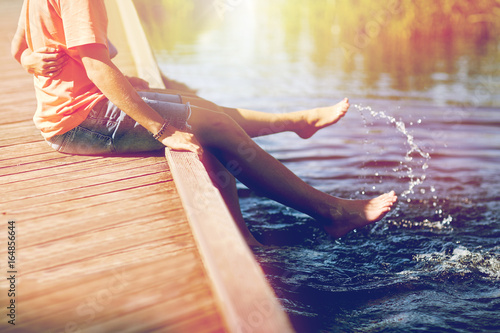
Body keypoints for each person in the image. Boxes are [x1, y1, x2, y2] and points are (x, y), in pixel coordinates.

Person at [11, 0, 397, 246]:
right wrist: (163, 130)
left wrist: (32, 61)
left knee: (205, 109)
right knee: (217, 130)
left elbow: (20, 48)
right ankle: (331, 213)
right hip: (81, 120)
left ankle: (296, 123)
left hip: (80, 107)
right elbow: (96, 67)